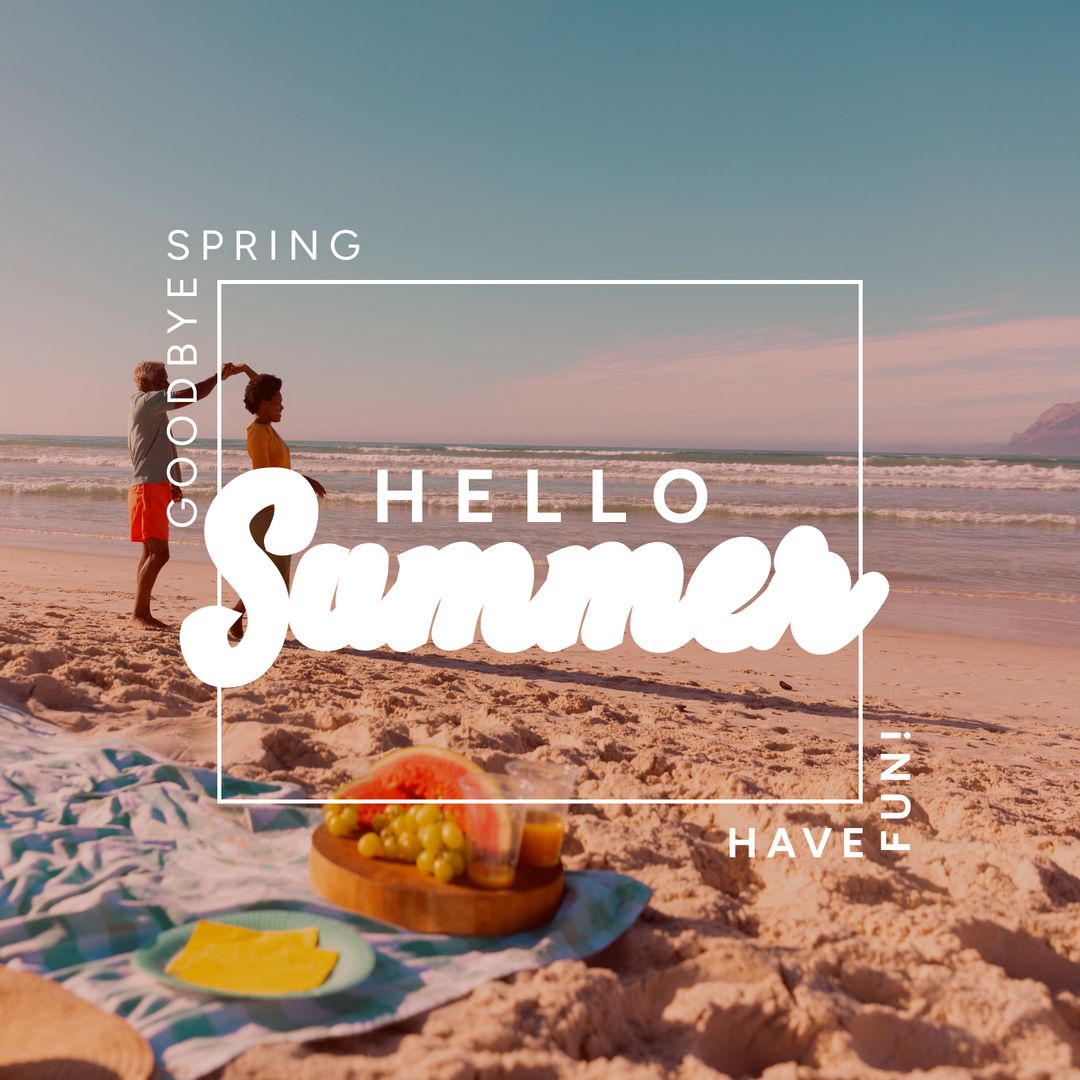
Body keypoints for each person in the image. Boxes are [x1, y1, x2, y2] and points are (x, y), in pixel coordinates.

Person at [128, 360, 243, 629]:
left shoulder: (150, 408)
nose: (169, 384)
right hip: (148, 488)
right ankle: (138, 613)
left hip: (152, 486)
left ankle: (141, 611)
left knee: (150, 553)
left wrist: (173, 484)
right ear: (150, 383)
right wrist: (218, 377)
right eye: (164, 380)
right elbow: (191, 394)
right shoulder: (147, 402)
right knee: (159, 554)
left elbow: (162, 448)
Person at [228, 368, 326, 640]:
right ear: (264, 405)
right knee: (270, 573)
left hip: (279, 508)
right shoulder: (258, 433)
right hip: (267, 511)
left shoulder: (266, 427)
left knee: (273, 570)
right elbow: (264, 474)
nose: (283, 405)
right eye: (278, 400)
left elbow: (260, 387)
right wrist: (304, 479)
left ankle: (237, 620)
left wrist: (247, 370)